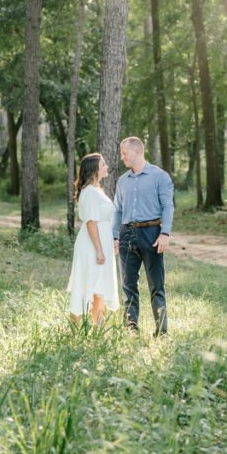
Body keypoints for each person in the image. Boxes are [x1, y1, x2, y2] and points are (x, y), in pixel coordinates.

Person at [112, 136, 174, 336]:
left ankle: (162, 331)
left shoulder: (160, 176)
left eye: (124, 153)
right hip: (127, 233)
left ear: (137, 151)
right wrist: (115, 236)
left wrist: (165, 233)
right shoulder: (122, 181)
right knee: (128, 285)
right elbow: (117, 210)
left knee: (157, 285)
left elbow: (167, 206)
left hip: (152, 233)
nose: (122, 157)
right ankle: (131, 329)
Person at [67, 153, 120, 326]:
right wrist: (98, 249)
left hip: (101, 242)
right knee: (87, 282)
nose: (106, 166)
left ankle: (99, 326)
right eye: (103, 164)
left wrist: (111, 242)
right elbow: (90, 222)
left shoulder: (97, 190)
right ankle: (75, 326)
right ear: (94, 169)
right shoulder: (89, 192)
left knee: (99, 286)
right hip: (91, 245)